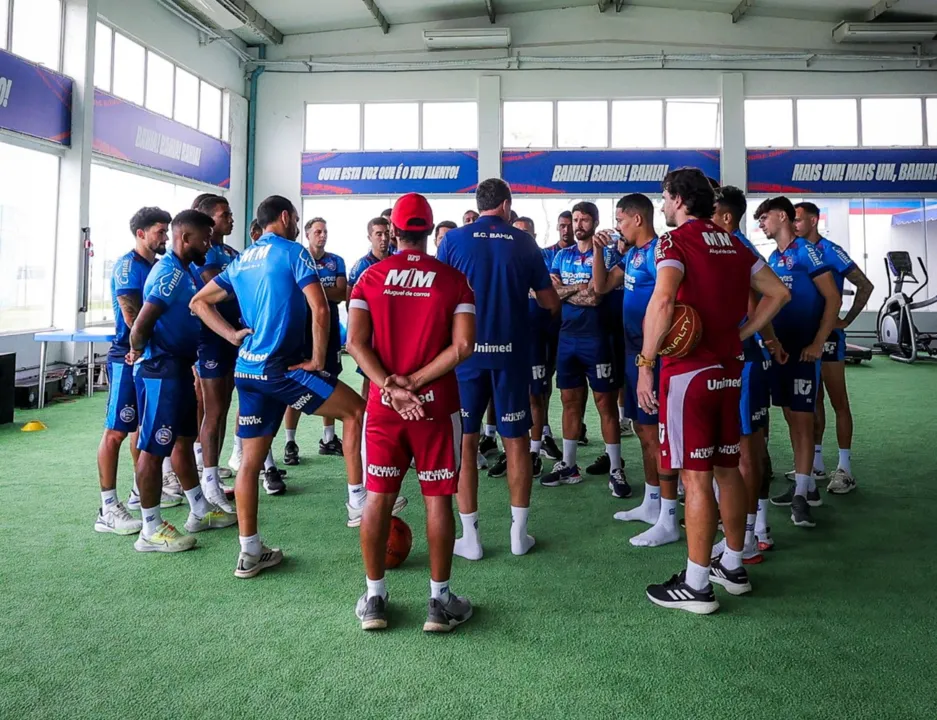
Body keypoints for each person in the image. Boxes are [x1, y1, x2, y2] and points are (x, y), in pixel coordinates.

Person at [191, 196, 401, 577]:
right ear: (285, 218)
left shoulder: (242, 260)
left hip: (248, 370)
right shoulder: (293, 251)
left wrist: (233, 336)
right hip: (282, 367)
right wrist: (319, 361)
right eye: (298, 220)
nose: (299, 225)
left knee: (250, 463)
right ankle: (357, 503)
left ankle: (250, 551)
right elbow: (321, 308)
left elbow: (199, 301)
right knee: (356, 411)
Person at [641, 168, 790, 614]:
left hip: (688, 376)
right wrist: (743, 334)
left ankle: (697, 585)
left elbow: (664, 300)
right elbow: (778, 293)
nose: (663, 207)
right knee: (728, 468)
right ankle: (734, 564)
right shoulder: (734, 241)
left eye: (665, 199)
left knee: (695, 477)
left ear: (679, 200)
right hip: (730, 371)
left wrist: (646, 363)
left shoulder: (675, 241)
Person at [347, 192, 476, 632]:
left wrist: (390, 386)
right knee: (438, 499)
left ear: (395, 230)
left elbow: (356, 344)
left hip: (385, 408)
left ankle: (375, 599)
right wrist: (417, 385)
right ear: (429, 229)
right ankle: (439, 604)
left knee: (378, 497)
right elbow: (462, 347)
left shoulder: (368, 279)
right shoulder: (454, 281)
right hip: (436, 406)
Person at [437, 178, 560, 561]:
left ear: (479, 204)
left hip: (466, 356)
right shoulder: (524, 242)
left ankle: (470, 538)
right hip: (511, 355)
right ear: (506, 205)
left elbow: (439, 298)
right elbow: (550, 302)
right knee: (516, 441)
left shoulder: (452, 241)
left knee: (466, 443)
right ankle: (518, 536)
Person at [127, 209, 238, 553]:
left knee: (183, 441)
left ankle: (199, 511)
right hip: (161, 370)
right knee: (153, 447)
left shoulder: (185, 270)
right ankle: (150, 528)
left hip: (180, 367)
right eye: (204, 239)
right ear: (185, 238)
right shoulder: (168, 274)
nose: (209, 244)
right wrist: (140, 353)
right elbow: (141, 324)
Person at [593, 194, 680, 547]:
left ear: (638, 220)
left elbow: (668, 301)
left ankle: (670, 515)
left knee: (661, 434)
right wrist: (598, 251)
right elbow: (600, 288)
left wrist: (651, 355)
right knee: (644, 432)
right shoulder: (631, 254)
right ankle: (652, 502)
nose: (617, 226)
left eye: (621, 220)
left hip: (654, 355)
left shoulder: (661, 251)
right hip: (632, 353)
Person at [758, 197, 841, 528]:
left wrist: (819, 343)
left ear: (782, 216)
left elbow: (832, 297)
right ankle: (804, 486)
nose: (761, 224)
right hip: (781, 352)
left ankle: (802, 497)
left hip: (806, 351)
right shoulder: (773, 259)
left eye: (764, 218)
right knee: (792, 417)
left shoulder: (808, 252)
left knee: (803, 420)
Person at [711, 186, 784, 560]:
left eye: (712, 213)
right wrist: (771, 341)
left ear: (726, 216)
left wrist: (744, 334)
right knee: (748, 446)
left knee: (744, 451)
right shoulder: (732, 246)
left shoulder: (735, 248)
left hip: (743, 361)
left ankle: (750, 535)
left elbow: (765, 297)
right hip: (748, 357)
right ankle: (754, 527)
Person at [540, 202, 628, 498]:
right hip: (568, 340)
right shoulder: (561, 256)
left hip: (599, 338)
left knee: (605, 403)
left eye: (584, 219)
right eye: (575, 219)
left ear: (595, 222)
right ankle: (569, 464)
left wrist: (569, 290)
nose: (578, 224)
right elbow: (552, 294)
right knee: (569, 402)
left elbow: (596, 297)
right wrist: (579, 288)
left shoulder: (608, 253)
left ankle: (616, 466)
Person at [95, 207, 174, 535]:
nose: (165, 236)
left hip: (146, 357)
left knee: (142, 429)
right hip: (125, 356)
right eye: (159, 231)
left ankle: (138, 492)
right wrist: (139, 347)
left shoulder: (155, 266)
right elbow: (132, 316)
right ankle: (107, 507)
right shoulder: (128, 267)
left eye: (167, 230)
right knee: (116, 431)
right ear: (140, 233)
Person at [794, 202, 872, 495]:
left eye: (799, 220)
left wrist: (846, 320)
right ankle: (815, 463)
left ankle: (845, 469)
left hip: (828, 338)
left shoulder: (831, 251)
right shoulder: (794, 252)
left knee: (838, 400)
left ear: (813, 221)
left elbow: (865, 285)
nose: (794, 224)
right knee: (812, 401)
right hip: (803, 337)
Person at [486, 216, 547, 480]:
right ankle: (497, 444)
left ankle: (535, 451)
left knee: (536, 395)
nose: (522, 235)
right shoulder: (501, 254)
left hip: (533, 338)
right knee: (494, 397)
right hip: (499, 341)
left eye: (527, 232)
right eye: (518, 230)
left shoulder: (534, 255)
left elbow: (549, 295)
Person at [282, 217, 347, 466]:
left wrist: (310, 288)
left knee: (329, 379)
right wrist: (320, 291)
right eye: (318, 231)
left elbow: (342, 293)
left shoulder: (336, 261)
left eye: (325, 231)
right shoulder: (298, 258)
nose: (322, 235)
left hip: (329, 330)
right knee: (296, 383)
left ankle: (328, 439)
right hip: (301, 331)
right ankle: (290, 441)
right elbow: (293, 291)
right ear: (307, 235)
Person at [191, 195, 239, 511]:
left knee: (222, 408)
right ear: (209, 218)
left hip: (232, 338)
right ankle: (207, 482)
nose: (231, 218)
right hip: (210, 339)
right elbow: (214, 289)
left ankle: (213, 476)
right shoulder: (203, 255)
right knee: (212, 409)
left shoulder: (230, 252)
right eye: (225, 214)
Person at [537, 211, 575, 461]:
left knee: (574, 387)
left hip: (579, 330)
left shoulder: (593, 253)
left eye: (569, 225)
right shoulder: (548, 253)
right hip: (549, 327)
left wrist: (563, 289)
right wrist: (578, 287)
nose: (566, 230)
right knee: (544, 381)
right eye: (562, 225)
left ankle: (576, 427)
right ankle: (544, 431)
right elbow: (548, 291)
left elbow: (597, 290)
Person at [348, 217, 392, 403]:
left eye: (386, 233)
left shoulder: (396, 261)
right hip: (370, 332)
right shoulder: (362, 266)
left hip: (391, 329)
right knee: (370, 379)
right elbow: (350, 300)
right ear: (370, 237)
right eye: (378, 234)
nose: (383, 238)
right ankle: (366, 424)